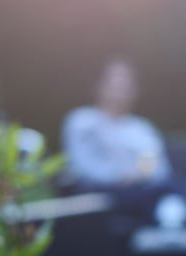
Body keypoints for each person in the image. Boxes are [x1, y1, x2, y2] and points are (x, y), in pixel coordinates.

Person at [62, 59, 171, 189]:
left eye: (127, 85)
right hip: (98, 194)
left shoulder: (142, 129)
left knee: (173, 190)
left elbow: (156, 165)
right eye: (116, 85)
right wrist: (117, 176)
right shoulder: (82, 121)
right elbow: (82, 165)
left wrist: (139, 175)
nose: (121, 91)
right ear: (99, 86)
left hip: (141, 190)